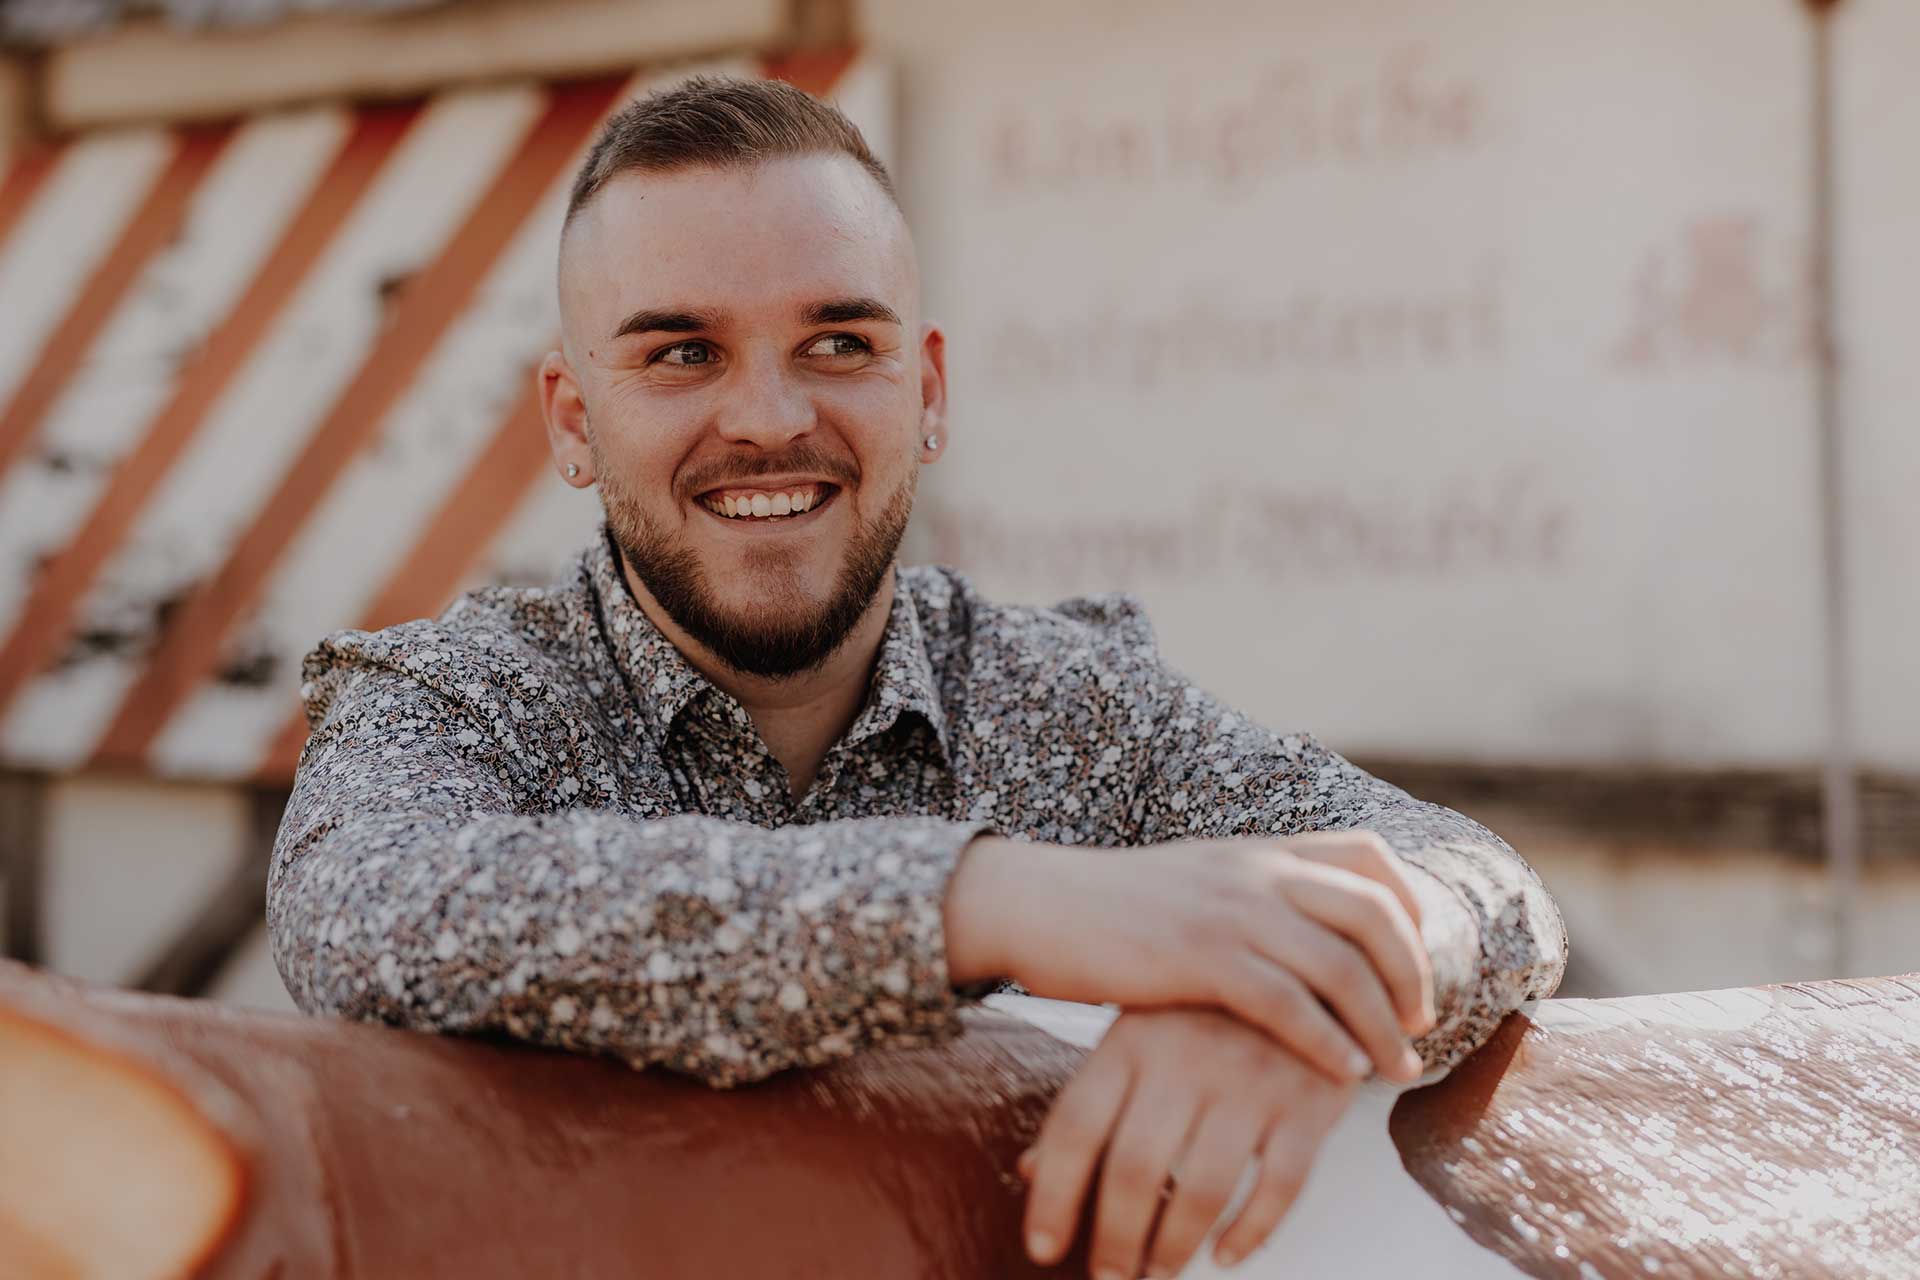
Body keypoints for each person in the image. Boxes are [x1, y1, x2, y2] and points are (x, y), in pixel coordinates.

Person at [268, 75, 1567, 1279]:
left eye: (839, 343)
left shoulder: (1074, 703)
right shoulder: (461, 698)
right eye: (682, 353)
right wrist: (991, 901)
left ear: (928, 388)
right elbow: (362, 907)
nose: (770, 418)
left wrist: (1295, 1002)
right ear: (571, 419)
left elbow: (1481, 886)